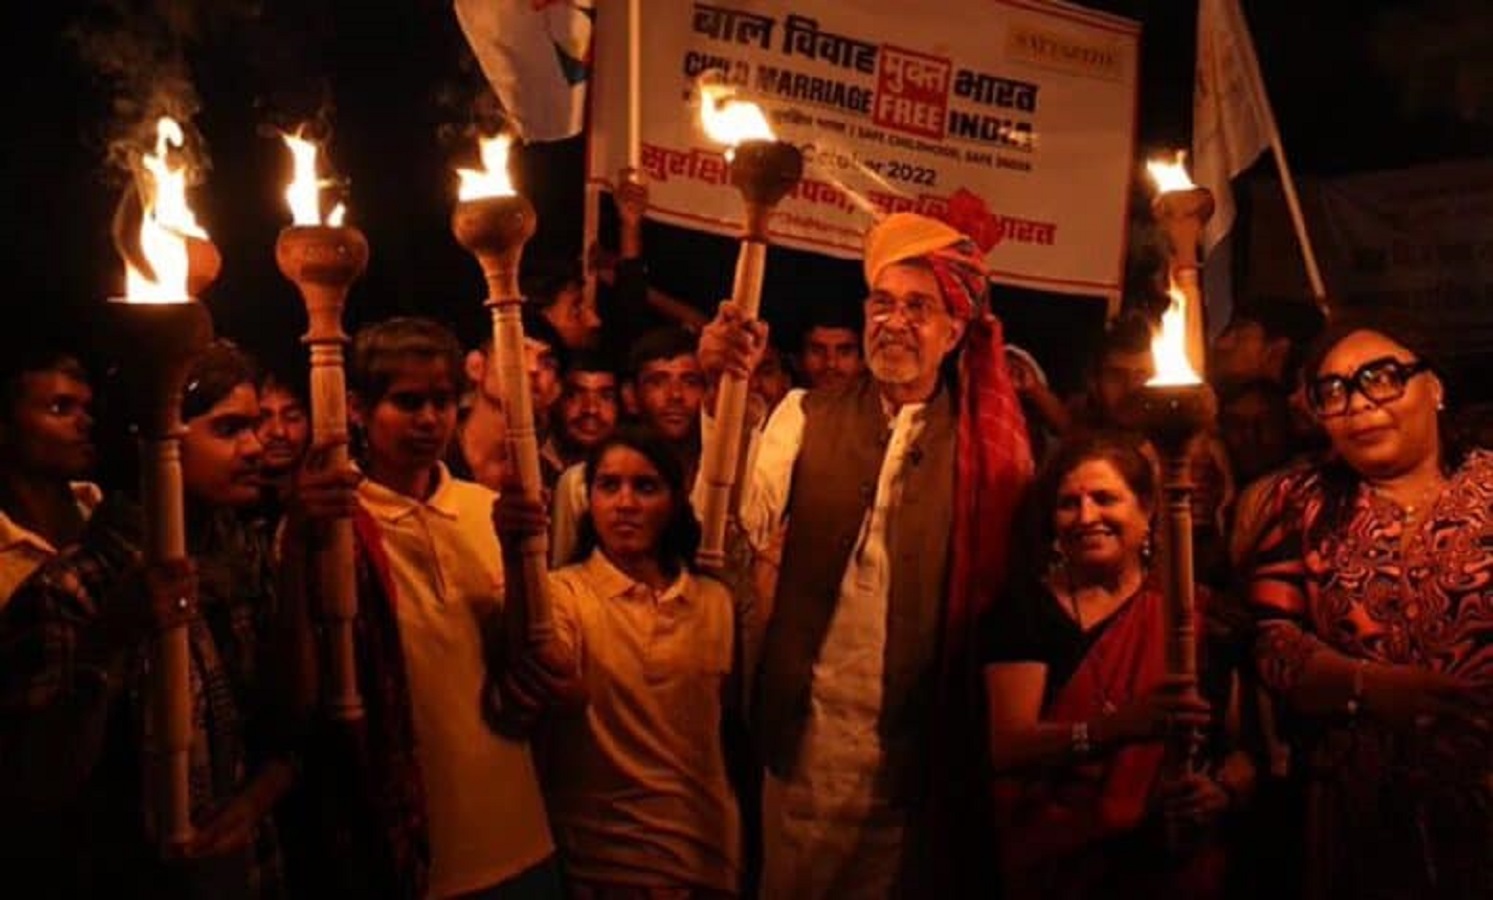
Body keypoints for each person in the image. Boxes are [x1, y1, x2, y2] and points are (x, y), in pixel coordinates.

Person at [700, 212, 1034, 895]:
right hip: (804, 734)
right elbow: (728, 520)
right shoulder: (804, 412)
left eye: (918, 307)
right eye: (882, 303)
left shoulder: (982, 450)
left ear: (954, 331)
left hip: (915, 750)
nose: (894, 322)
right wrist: (723, 394)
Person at [0, 340, 343, 899]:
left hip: (252, 872)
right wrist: (108, 642)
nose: (257, 446)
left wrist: (252, 802)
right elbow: (37, 784)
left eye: (254, 426)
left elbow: (290, 719)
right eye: (229, 429)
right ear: (155, 439)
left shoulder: (243, 556)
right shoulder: (71, 590)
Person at [1250, 312, 1493, 899]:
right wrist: (1363, 684)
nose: (1358, 403)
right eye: (1333, 392)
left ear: (1434, 388)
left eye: (1381, 378)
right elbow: (1271, 639)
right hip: (1360, 817)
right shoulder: (1301, 502)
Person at [330, 317, 558, 899]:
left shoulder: (485, 509)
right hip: (418, 848)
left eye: (442, 402)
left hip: (520, 828)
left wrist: (518, 554)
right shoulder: (338, 528)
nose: (429, 419)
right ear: (357, 409)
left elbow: (526, 658)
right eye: (408, 402)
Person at [983, 431, 1251, 898]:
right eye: (1069, 504)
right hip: (1058, 864)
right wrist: (1116, 727)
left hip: (1173, 867)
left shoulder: (1199, 616)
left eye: (1105, 499)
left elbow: (1247, 753)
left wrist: (1221, 792)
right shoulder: (1024, 612)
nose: (1087, 517)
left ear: (1147, 511)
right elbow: (1007, 746)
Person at [496, 425, 742, 898]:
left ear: (674, 500)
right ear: (589, 499)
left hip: (706, 859)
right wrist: (517, 553)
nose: (625, 503)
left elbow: (725, 734)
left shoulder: (714, 602)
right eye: (609, 486)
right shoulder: (563, 595)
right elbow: (547, 672)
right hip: (603, 862)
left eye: (645, 487)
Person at [0, 343, 100, 607]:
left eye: (85, 408)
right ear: (5, 425)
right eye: (60, 408)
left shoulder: (102, 513)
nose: (85, 422)